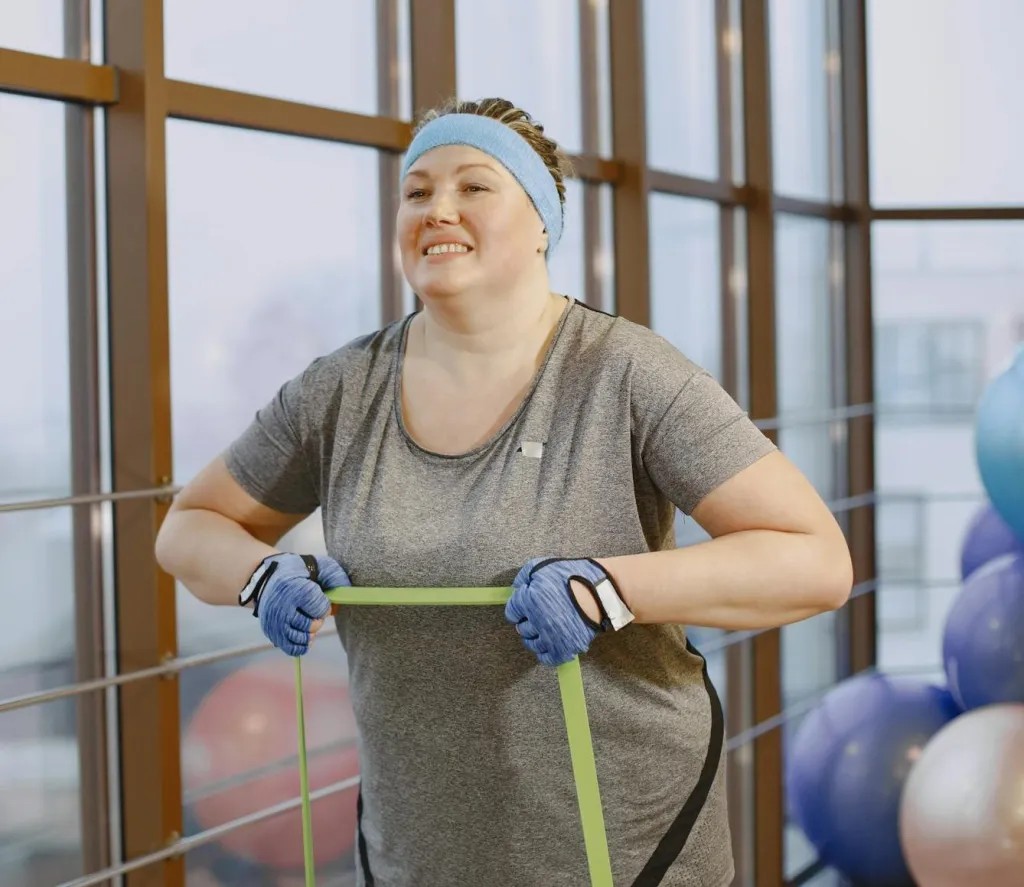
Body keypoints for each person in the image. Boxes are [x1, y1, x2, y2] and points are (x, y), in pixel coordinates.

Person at [156, 96, 854, 887]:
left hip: (627, 852)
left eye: (474, 186)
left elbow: (815, 561)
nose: (436, 208)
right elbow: (189, 528)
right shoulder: (340, 392)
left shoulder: (624, 372)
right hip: (417, 857)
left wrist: (606, 588)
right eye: (416, 191)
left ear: (543, 223)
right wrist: (260, 575)